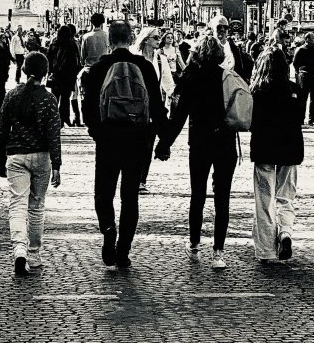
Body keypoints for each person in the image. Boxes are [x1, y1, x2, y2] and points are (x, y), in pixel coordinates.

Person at [82, 20, 168, 268]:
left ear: (109, 40)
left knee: (103, 192)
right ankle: (123, 251)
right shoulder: (144, 66)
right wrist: (162, 137)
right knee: (130, 197)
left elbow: (88, 106)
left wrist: (96, 131)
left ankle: (108, 227)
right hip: (137, 138)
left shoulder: (99, 67)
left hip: (108, 138)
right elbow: (156, 106)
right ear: (131, 39)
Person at [155, 35, 237, 269]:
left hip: (200, 142)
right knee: (223, 197)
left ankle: (193, 243)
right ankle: (218, 251)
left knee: (197, 194)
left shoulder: (192, 77)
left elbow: (179, 116)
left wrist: (165, 143)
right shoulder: (226, 77)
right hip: (225, 141)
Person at [0, 51, 62, 277]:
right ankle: (34, 254)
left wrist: (0, 158)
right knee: (36, 206)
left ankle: (19, 251)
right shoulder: (49, 99)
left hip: (16, 156)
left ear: (24, 70)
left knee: (17, 205)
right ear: (46, 72)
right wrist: (57, 164)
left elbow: (1, 130)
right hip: (41, 157)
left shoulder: (12, 95)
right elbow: (54, 134)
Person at [249, 49, 304, 262]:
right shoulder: (295, 89)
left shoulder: (257, 91)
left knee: (264, 199)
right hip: (290, 148)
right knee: (286, 196)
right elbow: (299, 118)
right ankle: (285, 232)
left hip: (264, 148)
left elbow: (251, 121)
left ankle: (266, 250)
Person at [136, 26, 175, 194]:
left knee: (148, 144)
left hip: (152, 107)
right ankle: (133, 176)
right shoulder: (135, 57)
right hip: (135, 106)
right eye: (155, 38)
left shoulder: (161, 60)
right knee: (135, 143)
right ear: (146, 40)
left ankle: (141, 180)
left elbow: (168, 83)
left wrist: (174, 96)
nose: (159, 40)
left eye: (159, 37)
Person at [47, 24, 83, 127]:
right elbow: (76, 61)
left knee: (55, 98)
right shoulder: (71, 45)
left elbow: (48, 58)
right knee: (65, 99)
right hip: (68, 76)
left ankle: (53, 119)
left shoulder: (53, 44)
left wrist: (50, 72)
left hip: (55, 75)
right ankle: (64, 119)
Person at [208, 14, 250, 81]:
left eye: (225, 27)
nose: (222, 29)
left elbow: (240, 70)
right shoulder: (208, 47)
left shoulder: (233, 47)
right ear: (212, 29)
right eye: (219, 27)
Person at [292, 32, 314, 126]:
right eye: (313, 38)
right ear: (307, 39)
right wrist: (299, 72)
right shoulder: (301, 49)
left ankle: (311, 118)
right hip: (304, 75)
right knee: (303, 98)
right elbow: (295, 63)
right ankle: (301, 118)